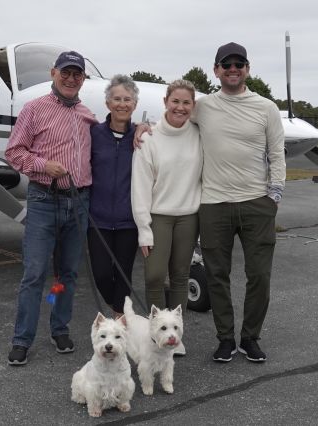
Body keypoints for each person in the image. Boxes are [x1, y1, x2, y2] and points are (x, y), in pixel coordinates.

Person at [4, 51, 97, 366]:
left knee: (66, 274)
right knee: (34, 274)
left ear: (83, 78)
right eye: (66, 73)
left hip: (79, 203)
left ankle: (59, 327)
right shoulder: (34, 109)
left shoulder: (87, 115)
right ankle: (22, 339)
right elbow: (14, 152)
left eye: (77, 74)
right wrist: (44, 165)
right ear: (54, 73)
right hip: (45, 200)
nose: (71, 79)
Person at [197, 42, 286, 363]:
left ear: (247, 69)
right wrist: (143, 131)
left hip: (256, 203)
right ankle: (225, 339)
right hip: (213, 204)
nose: (232, 69)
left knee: (259, 276)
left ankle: (249, 337)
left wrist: (275, 194)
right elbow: (173, 122)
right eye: (226, 65)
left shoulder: (266, 108)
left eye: (239, 64)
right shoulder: (203, 106)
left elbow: (277, 153)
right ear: (216, 70)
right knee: (216, 276)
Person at [131, 79, 202, 315]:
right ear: (165, 102)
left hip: (188, 217)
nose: (180, 107)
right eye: (175, 101)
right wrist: (143, 228)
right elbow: (140, 186)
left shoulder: (199, 134)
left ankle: (175, 335)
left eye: (186, 102)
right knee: (154, 276)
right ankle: (156, 333)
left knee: (180, 276)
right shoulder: (149, 137)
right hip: (158, 216)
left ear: (193, 105)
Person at [88, 75, 140, 318]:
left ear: (135, 104)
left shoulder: (141, 137)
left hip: (129, 220)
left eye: (127, 99)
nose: (122, 104)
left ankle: (120, 318)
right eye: (117, 99)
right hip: (98, 220)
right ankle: (117, 306)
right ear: (108, 104)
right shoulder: (94, 134)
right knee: (100, 273)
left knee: (123, 273)